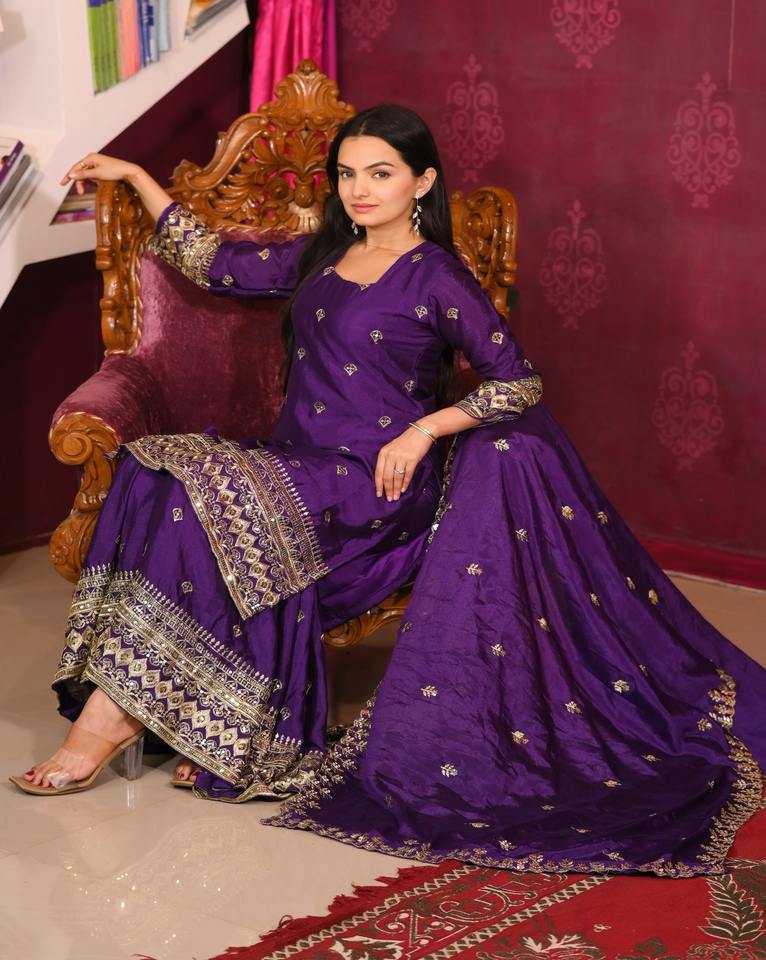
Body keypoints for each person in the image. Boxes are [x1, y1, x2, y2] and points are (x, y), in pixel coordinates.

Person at [11, 106, 765, 878]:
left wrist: (424, 431)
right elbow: (214, 262)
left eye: (380, 173)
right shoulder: (323, 253)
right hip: (298, 466)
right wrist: (135, 176)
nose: (360, 190)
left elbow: (517, 381)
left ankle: (110, 720)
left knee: (207, 492)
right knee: (157, 473)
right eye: (347, 174)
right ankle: (167, 710)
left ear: (422, 181)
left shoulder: (436, 274)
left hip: (374, 485)